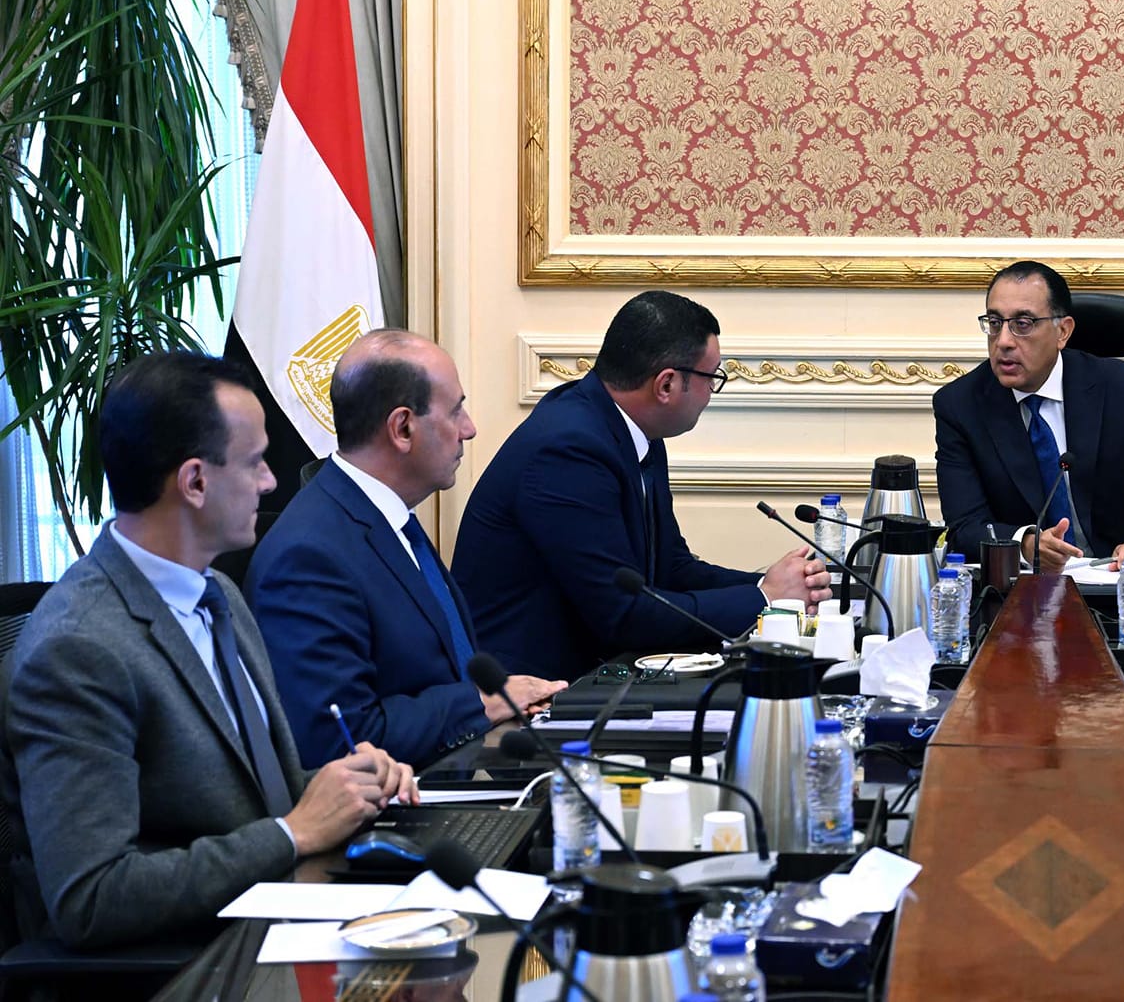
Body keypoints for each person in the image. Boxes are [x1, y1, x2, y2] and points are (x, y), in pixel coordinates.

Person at [0, 353, 414, 951]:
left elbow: (240, 795)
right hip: (189, 967)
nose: (271, 482)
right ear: (195, 482)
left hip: (274, 919)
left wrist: (343, 786)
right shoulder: (78, 647)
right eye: (254, 462)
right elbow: (91, 897)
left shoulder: (218, 593)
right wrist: (293, 833)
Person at [455, 292, 829, 678]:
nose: (711, 394)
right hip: (526, 692)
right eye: (712, 378)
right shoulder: (568, 450)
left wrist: (773, 586)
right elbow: (622, 614)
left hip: (595, 673)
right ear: (666, 385)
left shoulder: (632, 430)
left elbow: (670, 568)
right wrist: (763, 598)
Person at [249, 331, 566, 768]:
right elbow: (340, 740)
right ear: (402, 428)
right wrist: (482, 702)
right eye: (455, 411)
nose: (469, 429)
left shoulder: (386, 516)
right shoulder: (308, 556)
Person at [933, 261, 1124, 564]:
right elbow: (964, 527)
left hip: (1119, 578)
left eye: (1023, 324)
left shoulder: (1123, 389)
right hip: (1022, 584)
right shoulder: (960, 405)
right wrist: (1024, 544)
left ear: (1063, 331)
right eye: (994, 323)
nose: (1003, 341)